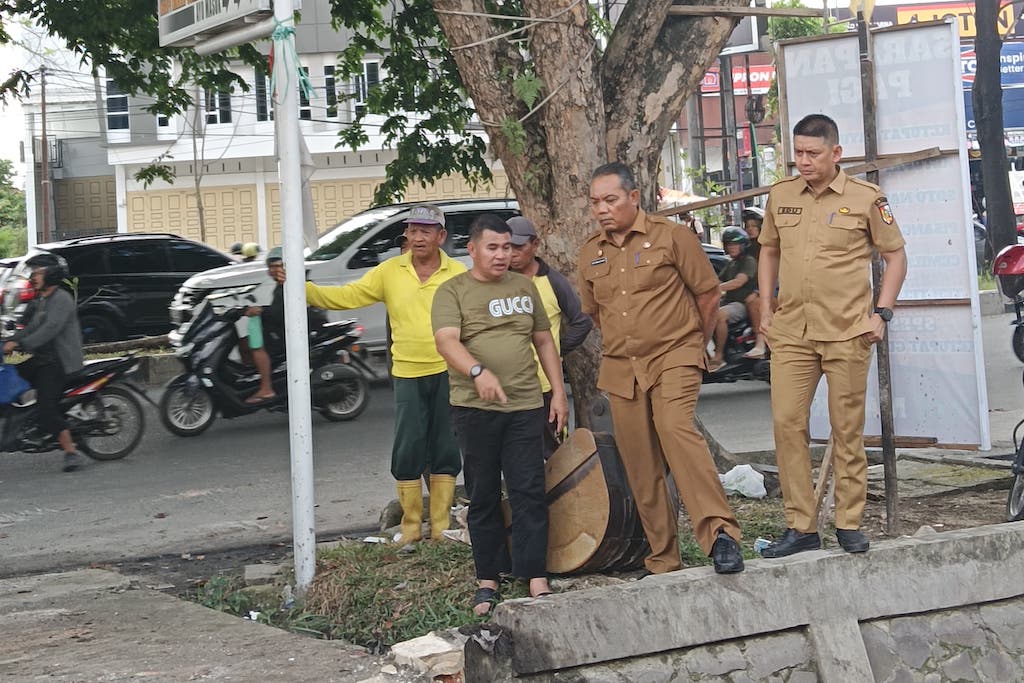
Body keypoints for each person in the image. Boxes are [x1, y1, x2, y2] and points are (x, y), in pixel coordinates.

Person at [577, 162, 744, 576]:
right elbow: (595, 313)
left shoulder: (673, 237)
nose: (602, 209)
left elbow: (707, 295)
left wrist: (692, 344)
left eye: (610, 200)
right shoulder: (589, 253)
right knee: (640, 461)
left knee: (675, 429)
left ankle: (721, 534)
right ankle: (663, 558)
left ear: (634, 197)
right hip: (622, 367)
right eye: (595, 202)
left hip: (674, 355)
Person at [757, 114, 907, 558]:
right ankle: (801, 525)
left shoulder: (866, 199)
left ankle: (849, 521)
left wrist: (882, 313)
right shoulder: (781, 195)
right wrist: (765, 306)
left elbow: (896, 257)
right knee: (787, 424)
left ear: (835, 154)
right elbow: (768, 249)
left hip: (847, 332)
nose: (803, 161)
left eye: (813, 154)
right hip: (792, 333)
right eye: (798, 153)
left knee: (847, 431)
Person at [304, 204, 466, 545]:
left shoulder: (457, 275)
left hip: (448, 372)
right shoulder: (390, 271)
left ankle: (440, 527)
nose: (418, 237)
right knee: (408, 448)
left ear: (441, 237)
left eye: (426, 231)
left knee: (446, 447)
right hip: (407, 372)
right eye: (413, 230)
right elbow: (348, 296)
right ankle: (410, 528)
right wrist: (302, 289)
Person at [432, 213, 568, 615]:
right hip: (474, 410)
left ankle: (535, 574)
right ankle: (488, 579)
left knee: (529, 489)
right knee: (484, 493)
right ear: (472, 249)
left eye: (507, 247)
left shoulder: (524, 287)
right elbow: (445, 342)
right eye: (492, 247)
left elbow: (544, 342)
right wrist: (477, 371)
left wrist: (558, 393)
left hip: (526, 404)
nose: (501, 254)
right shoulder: (452, 291)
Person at [507, 216, 592, 456]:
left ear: (535, 245)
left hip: (545, 385)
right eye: (507, 247)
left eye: (519, 247)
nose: (512, 253)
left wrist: (555, 351)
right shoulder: (499, 280)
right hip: (510, 385)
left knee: (555, 454)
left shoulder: (552, 281)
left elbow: (582, 321)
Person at [3, 253, 85, 472]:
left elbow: (50, 330)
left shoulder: (61, 299)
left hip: (60, 362)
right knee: (14, 377)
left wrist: (22, 345)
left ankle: (70, 452)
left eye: (37, 272)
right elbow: (31, 328)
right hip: (44, 358)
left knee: (46, 408)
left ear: (51, 274)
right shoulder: (42, 299)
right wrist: (10, 340)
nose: (33, 277)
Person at [240, 248, 287, 403]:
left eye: (278, 265)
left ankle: (266, 388)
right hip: (279, 327)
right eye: (271, 266)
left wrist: (260, 311)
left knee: (257, 347)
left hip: (288, 332)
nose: (275, 270)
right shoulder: (281, 285)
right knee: (243, 343)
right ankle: (256, 379)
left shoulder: (289, 285)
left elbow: (279, 314)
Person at [709, 227, 758, 371]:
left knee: (720, 315)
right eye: (729, 244)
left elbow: (739, 282)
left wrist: (716, 289)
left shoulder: (748, 261)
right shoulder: (732, 263)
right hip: (729, 301)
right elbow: (715, 281)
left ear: (743, 245)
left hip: (742, 303)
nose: (731, 247)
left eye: (734, 244)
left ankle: (718, 356)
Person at [740, 207, 768, 358]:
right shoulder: (747, 249)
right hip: (751, 290)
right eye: (748, 226)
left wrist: (758, 292)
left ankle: (760, 344)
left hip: (772, 292)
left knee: (756, 304)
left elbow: (773, 273)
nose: (750, 229)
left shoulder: (769, 247)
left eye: (753, 226)